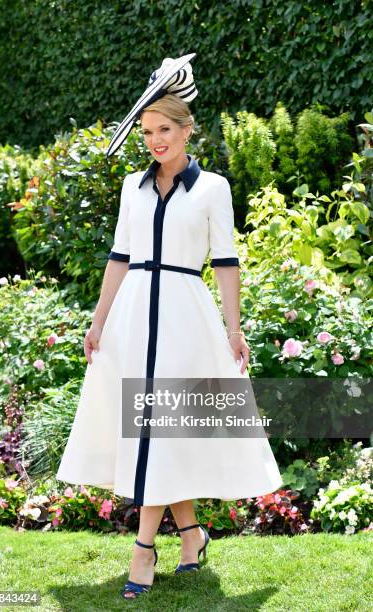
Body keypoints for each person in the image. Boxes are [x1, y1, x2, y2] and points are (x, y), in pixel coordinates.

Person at [56, 55, 283, 600]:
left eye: (164, 130)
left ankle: (143, 548)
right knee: (152, 428)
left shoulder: (214, 188)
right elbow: (118, 256)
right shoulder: (132, 187)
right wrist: (98, 322)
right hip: (135, 313)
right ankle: (191, 534)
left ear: (186, 130)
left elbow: (226, 261)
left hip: (184, 315)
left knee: (162, 425)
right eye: (147, 132)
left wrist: (233, 329)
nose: (155, 141)